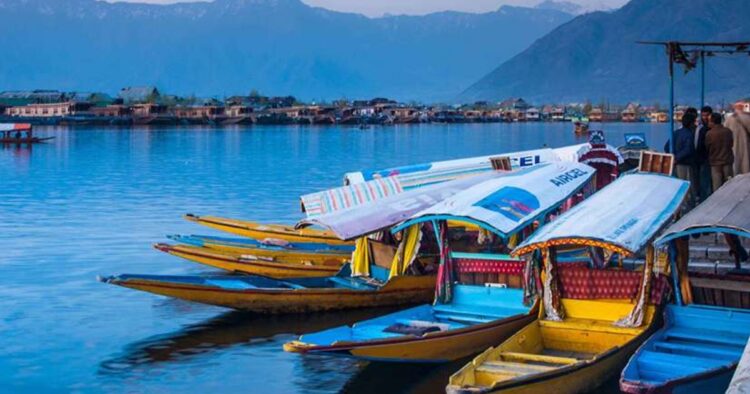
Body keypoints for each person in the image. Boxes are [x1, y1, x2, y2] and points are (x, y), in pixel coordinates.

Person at [673, 111, 698, 207]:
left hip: (676, 163)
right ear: (691, 123)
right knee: (687, 186)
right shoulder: (689, 135)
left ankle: (678, 206)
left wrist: (674, 157)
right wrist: (678, 157)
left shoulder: (676, 133)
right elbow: (688, 149)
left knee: (678, 186)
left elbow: (667, 146)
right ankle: (687, 206)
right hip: (685, 163)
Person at [705, 112, 734, 191]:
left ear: (712, 122)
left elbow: (707, 147)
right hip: (727, 161)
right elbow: (731, 144)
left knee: (717, 187)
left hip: (715, 163)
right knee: (729, 185)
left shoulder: (709, 134)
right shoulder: (728, 131)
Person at [725, 103, 750, 175]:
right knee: (746, 166)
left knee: (736, 166)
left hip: (733, 147)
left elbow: (725, 130)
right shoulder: (747, 118)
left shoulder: (729, 119)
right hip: (746, 147)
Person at [694, 106, 712, 201]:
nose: (705, 117)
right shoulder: (700, 129)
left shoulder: (709, 128)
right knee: (703, 181)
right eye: (703, 115)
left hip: (709, 158)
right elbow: (697, 144)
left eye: (707, 115)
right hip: (702, 159)